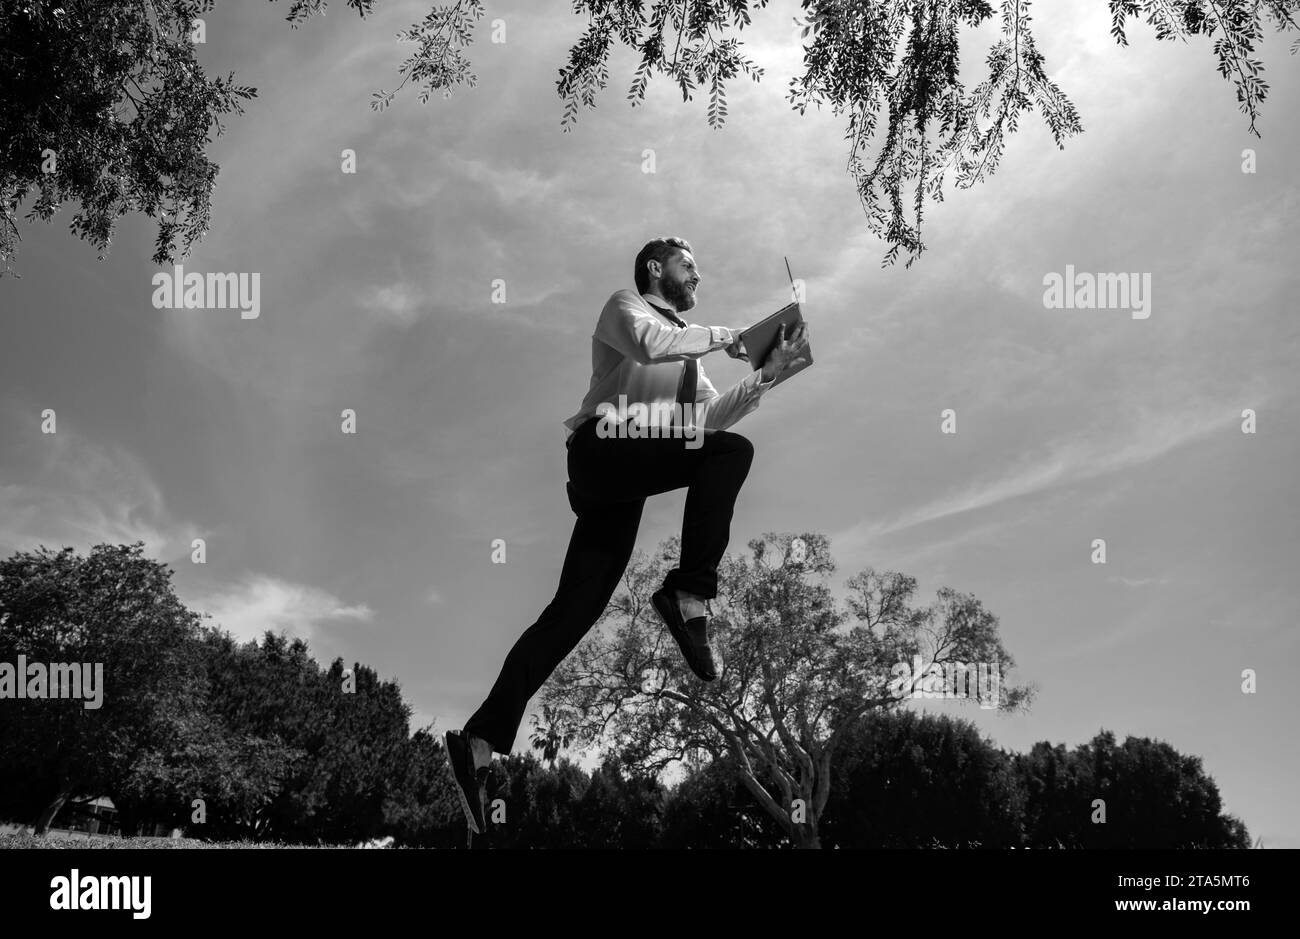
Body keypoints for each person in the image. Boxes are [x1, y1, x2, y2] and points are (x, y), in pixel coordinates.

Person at [445, 236, 810, 833]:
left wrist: (765, 375)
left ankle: (478, 742)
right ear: (654, 268)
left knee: (574, 611)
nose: (697, 275)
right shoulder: (626, 308)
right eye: (688, 266)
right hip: (601, 452)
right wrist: (728, 337)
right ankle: (688, 592)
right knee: (729, 454)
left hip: (625, 484)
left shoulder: (689, 362)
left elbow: (708, 424)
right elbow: (649, 345)